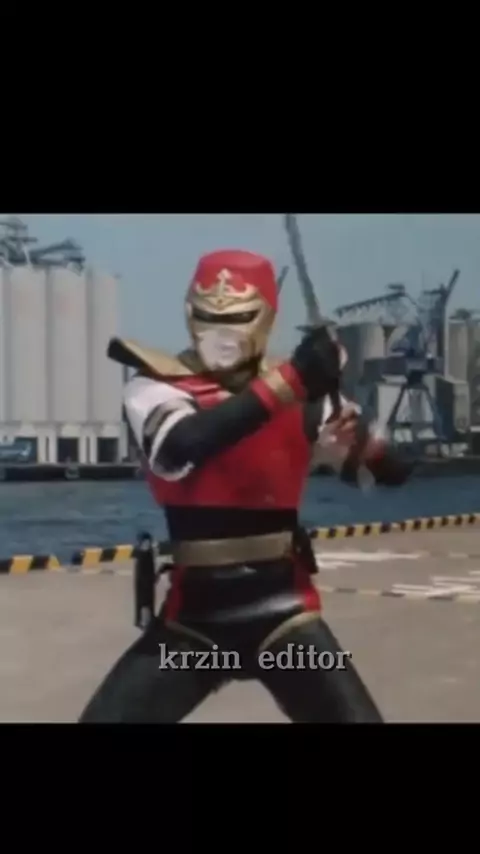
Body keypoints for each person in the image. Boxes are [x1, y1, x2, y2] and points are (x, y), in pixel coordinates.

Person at [78, 249, 412, 723]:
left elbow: (394, 470)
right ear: (190, 313)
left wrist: (360, 447)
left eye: (236, 319)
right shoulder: (156, 387)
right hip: (195, 623)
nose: (221, 335)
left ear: (264, 318)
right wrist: (292, 381)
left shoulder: (305, 398)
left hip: (283, 614)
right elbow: (182, 445)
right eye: (209, 317)